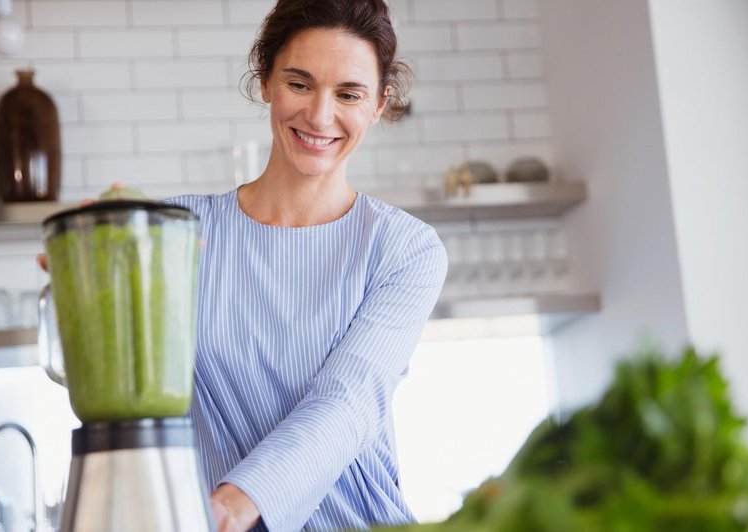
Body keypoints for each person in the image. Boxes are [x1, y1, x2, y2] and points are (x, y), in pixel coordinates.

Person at [41, 0, 446, 530]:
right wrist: (89, 290)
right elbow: (119, 390)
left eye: (348, 94)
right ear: (266, 82)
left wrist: (234, 502)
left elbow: (348, 403)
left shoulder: (403, 249)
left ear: (378, 103)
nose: (320, 116)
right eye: (299, 84)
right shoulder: (178, 232)